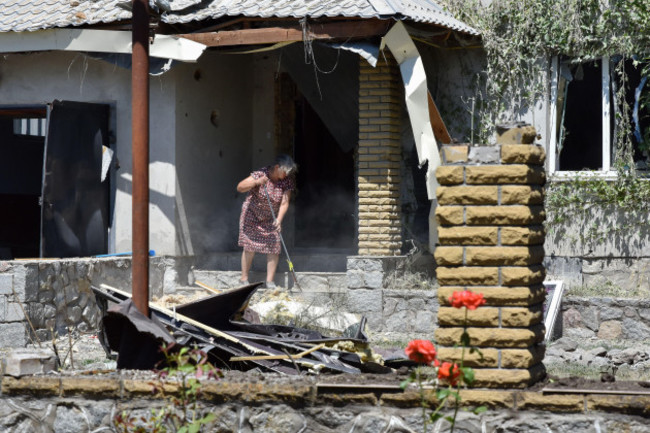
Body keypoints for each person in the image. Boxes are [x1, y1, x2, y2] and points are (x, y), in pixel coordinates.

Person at [236, 154, 297, 288]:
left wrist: (279, 220)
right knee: (249, 246)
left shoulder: (286, 181)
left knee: (274, 245)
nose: (286, 175)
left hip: (270, 218)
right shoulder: (260, 174)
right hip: (251, 214)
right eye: (285, 172)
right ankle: (243, 279)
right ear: (277, 167)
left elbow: (284, 203)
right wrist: (256, 182)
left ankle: (270, 281)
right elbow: (240, 187)